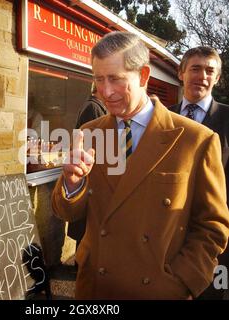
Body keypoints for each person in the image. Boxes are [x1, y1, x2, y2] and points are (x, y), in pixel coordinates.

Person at [52, 31, 229, 299]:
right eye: (99, 79)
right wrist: (71, 183)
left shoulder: (197, 139)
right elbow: (66, 212)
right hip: (95, 288)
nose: (106, 91)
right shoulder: (89, 132)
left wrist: (182, 282)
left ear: (144, 76)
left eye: (116, 79)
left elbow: (212, 226)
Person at [169, 46, 229, 299]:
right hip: (166, 233)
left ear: (217, 79)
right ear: (181, 73)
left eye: (209, 71)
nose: (202, 76)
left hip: (212, 240)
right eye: (195, 68)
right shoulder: (161, 118)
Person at [67, 83, 107, 252]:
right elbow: (90, 147)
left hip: (91, 178)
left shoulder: (96, 106)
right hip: (89, 178)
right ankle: (80, 269)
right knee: (85, 236)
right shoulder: (93, 108)